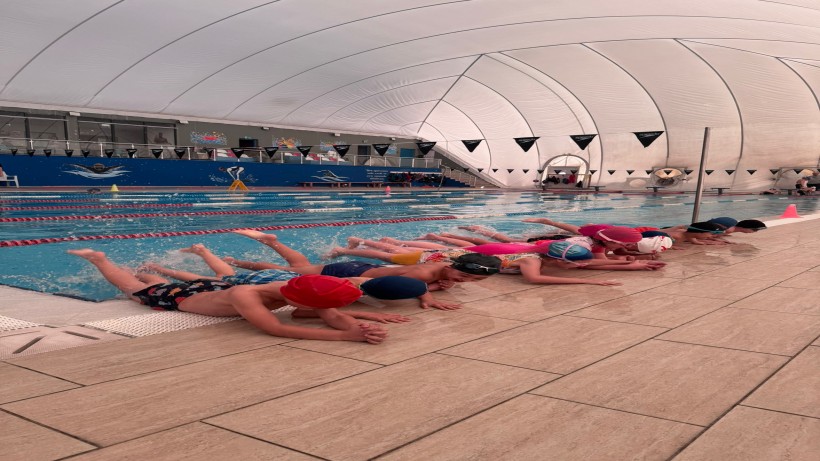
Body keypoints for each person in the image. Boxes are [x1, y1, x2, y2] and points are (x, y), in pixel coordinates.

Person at [67, 249, 392, 343]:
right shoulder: (246, 296)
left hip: (211, 289)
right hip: (179, 297)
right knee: (137, 292)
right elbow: (276, 329)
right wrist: (344, 338)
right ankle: (101, 260)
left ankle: (144, 268)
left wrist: (360, 320)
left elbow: (326, 312)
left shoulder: (298, 290)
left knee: (148, 282)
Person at [227, 229, 503, 310]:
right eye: (463, 275)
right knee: (293, 271)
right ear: (455, 267)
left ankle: (268, 244)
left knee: (298, 266)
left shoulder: (442, 265)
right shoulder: (422, 275)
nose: (462, 280)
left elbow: (414, 278)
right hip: (351, 271)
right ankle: (239, 261)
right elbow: (380, 284)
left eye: (470, 280)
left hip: (364, 266)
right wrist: (427, 294)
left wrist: (446, 283)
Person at [142, 243, 431, 309]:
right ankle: (159, 269)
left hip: (271, 279)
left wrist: (424, 293)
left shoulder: (358, 283)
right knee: (216, 277)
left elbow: (411, 282)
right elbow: (315, 312)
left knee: (219, 276)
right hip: (264, 283)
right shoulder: (350, 293)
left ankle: (165, 266)